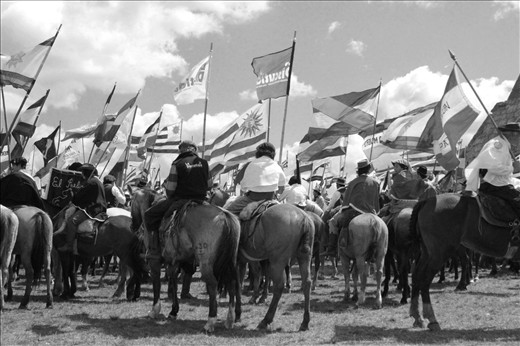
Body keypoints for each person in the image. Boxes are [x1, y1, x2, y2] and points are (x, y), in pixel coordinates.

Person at [144, 140, 211, 259]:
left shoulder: (177, 163)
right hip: (201, 200)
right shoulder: (204, 163)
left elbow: (171, 187)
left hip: (181, 200)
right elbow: (210, 184)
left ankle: (154, 250)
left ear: (181, 150)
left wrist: (169, 196)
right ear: (194, 149)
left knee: (149, 215)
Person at [323, 159, 380, 257]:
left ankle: (332, 248)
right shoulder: (375, 183)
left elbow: (346, 202)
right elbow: (376, 200)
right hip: (371, 212)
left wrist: (342, 209)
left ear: (359, 171)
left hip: (354, 210)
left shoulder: (353, 182)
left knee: (332, 222)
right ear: (368, 169)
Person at [57, 163, 107, 254]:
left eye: (83, 173)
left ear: (86, 173)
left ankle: (69, 246)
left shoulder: (91, 182)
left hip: (93, 209)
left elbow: (80, 197)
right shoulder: (97, 181)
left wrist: (73, 198)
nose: (82, 176)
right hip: (99, 207)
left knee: (72, 221)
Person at [225, 142, 286, 216]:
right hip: (270, 199)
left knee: (227, 213)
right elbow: (281, 189)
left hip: (251, 199)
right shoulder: (276, 165)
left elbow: (243, 186)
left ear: (258, 153)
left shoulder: (251, 164)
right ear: (273, 154)